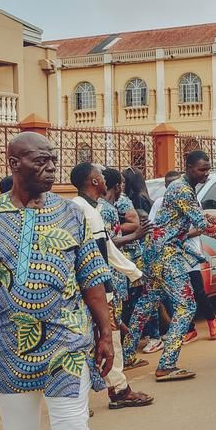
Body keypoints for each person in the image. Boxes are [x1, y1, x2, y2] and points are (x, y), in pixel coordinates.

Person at [0, 131, 114, 430]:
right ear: (14, 163)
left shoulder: (71, 214)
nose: (51, 168)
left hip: (67, 345)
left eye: (53, 160)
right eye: (41, 161)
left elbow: (92, 279)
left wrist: (105, 333)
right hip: (8, 348)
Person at [126, 151, 216, 381]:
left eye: (208, 169)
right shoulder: (182, 190)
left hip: (155, 251)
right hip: (166, 254)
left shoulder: (183, 188)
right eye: (201, 169)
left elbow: (191, 223)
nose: (206, 174)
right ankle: (166, 365)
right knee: (186, 306)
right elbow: (202, 224)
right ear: (188, 167)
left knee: (146, 303)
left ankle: (126, 355)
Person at [70, 162, 154, 410]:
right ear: (94, 181)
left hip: (99, 285)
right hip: (87, 288)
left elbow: (105, 248)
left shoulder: (93, 209)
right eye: (100, 175)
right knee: (91, 339)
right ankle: (99, 395)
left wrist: (134, 273)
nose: (105, 178)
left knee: (110, 336)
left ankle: (117, 389)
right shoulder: (80, 209)